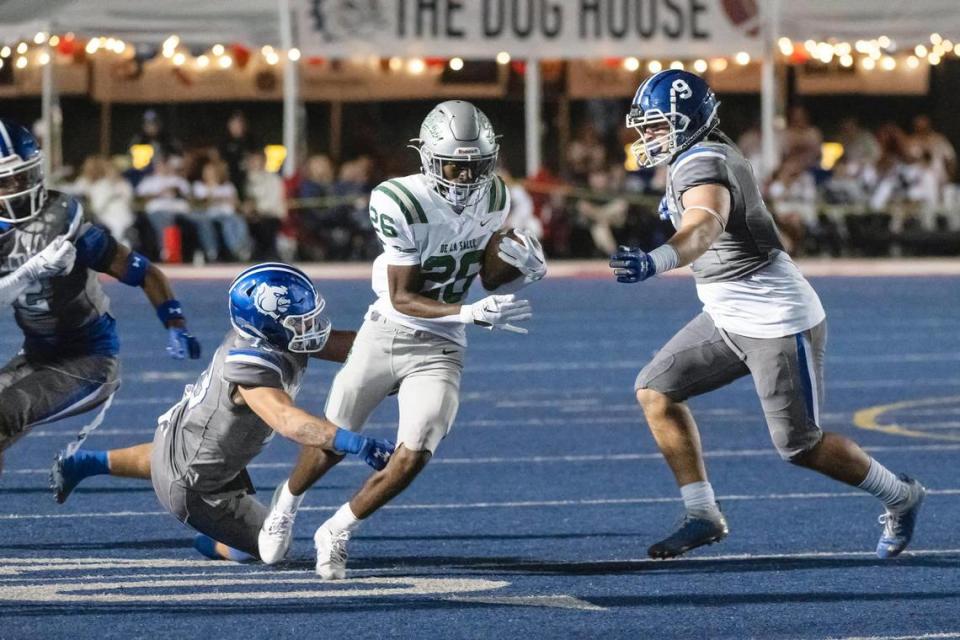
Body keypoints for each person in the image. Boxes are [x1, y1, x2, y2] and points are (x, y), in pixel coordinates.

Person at [608, 71, 924, 560]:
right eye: (645, 126)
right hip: (727, 315)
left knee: (800, 446)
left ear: (689, 122)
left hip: (776, 319)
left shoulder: (704, 162)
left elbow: (704, 227)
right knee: (656, 390)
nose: (648, 137)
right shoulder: (695, 154)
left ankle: (900, 495)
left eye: (658, 126)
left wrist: (658, 260)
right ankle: (702, 514)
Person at [257, 100, 547, 578]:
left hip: (444, 343)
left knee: (417, 448)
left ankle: (337, 529)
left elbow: (487, 276)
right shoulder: (398, 200)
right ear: (429, 156)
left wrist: (522, 273)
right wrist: (471, 312)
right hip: (388, 330)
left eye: (475, 165)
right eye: (453, 164)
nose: (464, 177)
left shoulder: (495, 196)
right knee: (334, 436)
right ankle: (286, 504)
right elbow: (402, 296)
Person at [51, 263, 396, 562]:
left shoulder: (273, 334)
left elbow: (347, 346)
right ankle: (217, 542)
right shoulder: (251, 366)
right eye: (300, 320)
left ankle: (87, 462)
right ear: (271, 327)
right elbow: (287, 420)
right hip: (195, 488)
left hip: (184, 434)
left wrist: (400, 353)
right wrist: (357, 444)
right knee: (270, 548)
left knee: (172, 459)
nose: (313, 326)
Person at [0, 119, 200, 476]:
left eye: (23, 175)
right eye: (7, 180)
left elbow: (142, 271)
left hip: (87, 360)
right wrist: (31, 270)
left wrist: (176, 322)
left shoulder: (57, 221)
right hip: (35, 356)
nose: (19, 187)